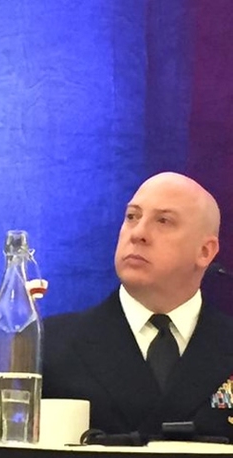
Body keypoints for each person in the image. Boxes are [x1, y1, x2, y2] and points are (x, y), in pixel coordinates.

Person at [43, 172, 233, 440]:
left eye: (164, 221)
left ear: (205, 251)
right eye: (132, 217)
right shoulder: (49, 345)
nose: (139, 233)